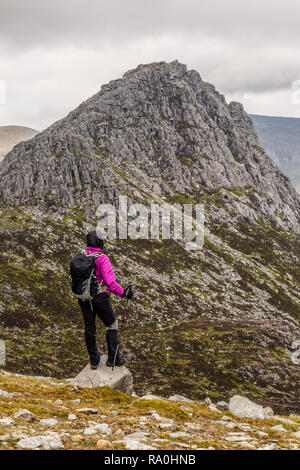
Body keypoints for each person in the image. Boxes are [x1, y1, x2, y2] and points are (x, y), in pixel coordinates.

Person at [78, 230, 133, 369]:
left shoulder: (82, 256)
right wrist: (123, 293)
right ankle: (113, 359)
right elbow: (110, 283)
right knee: (112, 325)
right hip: (100, 297)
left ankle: (94, 361)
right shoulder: (102, 258)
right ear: (99, 242)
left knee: (90, 327)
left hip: (84, 297)